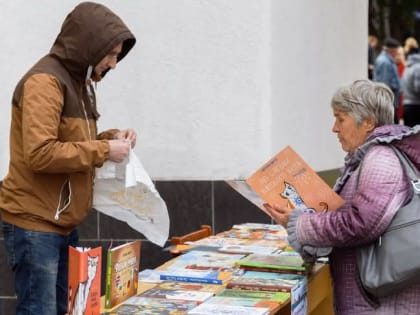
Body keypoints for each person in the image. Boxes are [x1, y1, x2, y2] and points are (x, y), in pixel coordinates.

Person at [0, 2, 136, 315]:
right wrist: (104, 150)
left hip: (59, 221)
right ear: (90, 45)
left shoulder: (80, 83)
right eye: (111, 54)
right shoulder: (45, 82)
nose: (114, 64)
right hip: (36, 223)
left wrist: (110, 139)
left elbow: (72, 145)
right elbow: (41, 153)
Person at [264, 80, 420, 314]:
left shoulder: (381, 159)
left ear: (367, 122)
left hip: (378, 303)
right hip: (373, 298)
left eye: (340, 118)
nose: (334, 128)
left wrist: (301, 223)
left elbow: (361, 224)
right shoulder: (371, 156)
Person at [373, 37, 401, 123]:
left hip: (390, 102)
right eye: (397, 50)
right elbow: (384, 85)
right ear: (391, 50)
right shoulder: (385, 62)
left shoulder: (386, 60)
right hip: (389, 103)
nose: (398, 52)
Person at [402, 51, 420, 127]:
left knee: (409, 135)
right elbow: (418, 88)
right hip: (416, 106)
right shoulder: (418, 67)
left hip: (406, 105)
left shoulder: (407, 67)